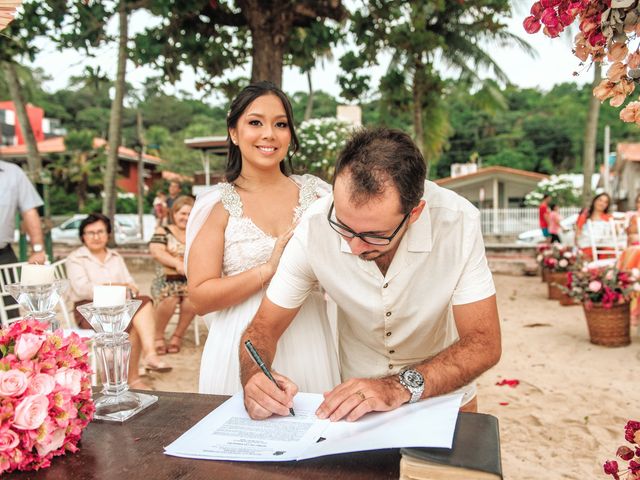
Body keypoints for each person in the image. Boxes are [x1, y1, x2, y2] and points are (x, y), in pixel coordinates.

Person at [239, 127, 500, 421]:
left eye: (375, 235)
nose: (353, 246)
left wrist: (398, 387)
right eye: (343, 225)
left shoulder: (458, 223)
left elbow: (483, 343)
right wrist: (254, 375)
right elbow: (261, 330)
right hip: (356, 406)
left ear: (414, 213)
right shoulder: (314, 228)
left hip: (445, 397)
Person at [185, 81, 340, 396]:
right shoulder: (217, 206)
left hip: (310, 334)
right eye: (255, 122)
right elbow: (200, 298)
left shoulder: (320, 196)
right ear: (233, 133)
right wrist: (267, 270)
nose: (269, 134)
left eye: (280, 124)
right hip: (237, 340)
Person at [66, 213, 172, 390]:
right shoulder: (76, 258)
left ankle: (149, 356)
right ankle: (135, 376)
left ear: (108, 234)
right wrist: (119, 286)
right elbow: (82, 289)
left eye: (100, 231)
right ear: (82, 236)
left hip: (118, 307)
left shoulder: (116, 257)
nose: (96, 236)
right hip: (90, 311)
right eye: (90, 232)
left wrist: (126, 289)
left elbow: (131, 284)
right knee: (136, 318)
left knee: (143, 302)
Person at [149, 195, 197, 355]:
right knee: (171, 298)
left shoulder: (197, 232)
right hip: (165, 280)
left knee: (193, 299)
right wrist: (177, 263)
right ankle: (158, 336)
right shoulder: (163, 230)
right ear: (174, 214)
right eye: (182, 213)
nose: (186, 218)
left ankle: (177, 336)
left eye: (190, 214)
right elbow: (156, 251)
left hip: (190, 280)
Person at [0, 161, 47, 320]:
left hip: (3, 257)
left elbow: (29, 211)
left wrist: (38, 249)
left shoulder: (13, 173)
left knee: (9, 316)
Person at [575, 193, 613, 259]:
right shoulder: (584, 216)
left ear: (607, 205)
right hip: (587, 246)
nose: (602, 203)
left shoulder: (609, 218)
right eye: (600, 200)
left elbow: (614, 234)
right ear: (594, 201)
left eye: (605, 202)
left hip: (604, 247)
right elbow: (577, 234)